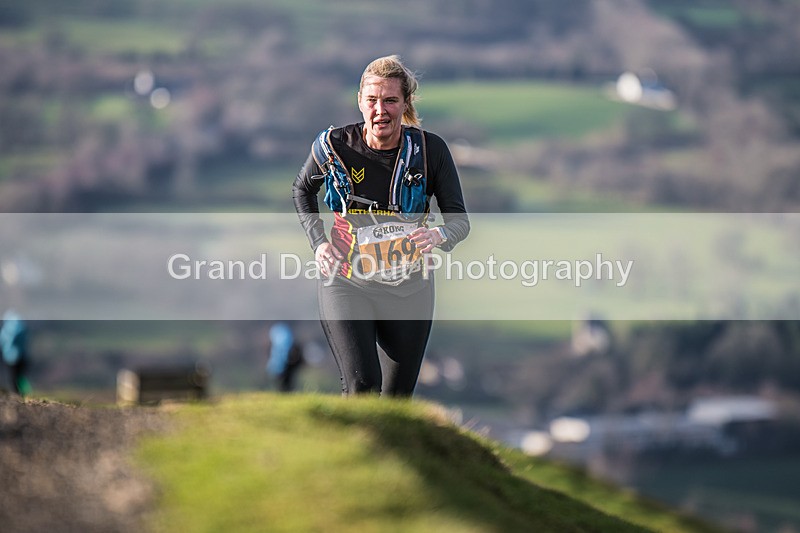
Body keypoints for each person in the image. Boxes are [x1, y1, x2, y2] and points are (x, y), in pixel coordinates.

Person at [293, 55, 470, 397]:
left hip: (409, 289)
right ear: (360, 101)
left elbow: (459, 221)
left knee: (394, 400)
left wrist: (438, 234)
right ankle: (349, 450)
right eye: (372, 100)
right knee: (363, 384)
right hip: (346, 281)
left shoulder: (430, 151)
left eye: (390, 101)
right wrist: (318, 243)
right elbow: (302, 189)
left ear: (405, 104)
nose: (380, 110)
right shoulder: (333, 147)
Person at [266, 321, 305, 392]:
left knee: (282, 383)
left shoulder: (277, 340)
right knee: (287, 382)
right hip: (289, 364)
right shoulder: (289, 340)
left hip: (280, 367)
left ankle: (283, 392)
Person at [0, 310, 31, 396]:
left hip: (11, 356)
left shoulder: (8, 328)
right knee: (20, 377)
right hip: (22, 355)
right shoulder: (21, 327)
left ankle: (17, 394)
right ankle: (25, 393)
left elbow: (6, 341)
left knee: (13, 377)